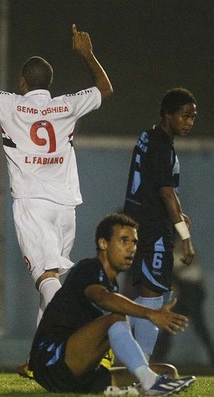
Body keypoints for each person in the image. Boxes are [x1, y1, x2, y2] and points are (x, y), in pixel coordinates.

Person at [0, 23, 113, 375]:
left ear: (22, 83)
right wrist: (87, 54)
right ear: (49, 84)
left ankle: (97, 337)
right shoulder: (66, 105)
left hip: (32, 203)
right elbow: (105, 88)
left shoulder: (10, 105)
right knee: (52, 277)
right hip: (66, 206)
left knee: (46, 279)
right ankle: (41, 361)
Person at [29, 213, 195, 395]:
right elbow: (101, 297)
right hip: (53, 362)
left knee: (167, 372)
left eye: (134, 242)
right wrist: (151, 313)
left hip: (82, 372)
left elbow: (129, 308)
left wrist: (154, 307)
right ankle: (148, 382)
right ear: (103, 244)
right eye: (124, 241)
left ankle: (142, 381)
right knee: (116, 318)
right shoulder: (88, 268)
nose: (131, 248)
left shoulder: (111, 284)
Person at [123, 88, 197, 362]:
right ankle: (142, 368)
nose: (189, 122)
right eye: (185, 116)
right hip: (152, 230)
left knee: (143, 299)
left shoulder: (150, 136)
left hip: (140, 225)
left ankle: (132, 363)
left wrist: (177, 212)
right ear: (168, 114)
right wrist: (184, 236)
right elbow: (165, 192)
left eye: (193, 117)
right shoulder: (161, 145)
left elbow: (159, 187)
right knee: (154, 297)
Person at [152, 236, 214, 365]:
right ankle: (157, 357)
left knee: (192, 325)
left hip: (193, 291)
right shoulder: (173, 255)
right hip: (187, 291)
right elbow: (174, 274)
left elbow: (194, 272)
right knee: (173, 324)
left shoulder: (187, 252)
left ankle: (158, 357)